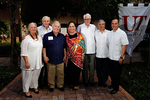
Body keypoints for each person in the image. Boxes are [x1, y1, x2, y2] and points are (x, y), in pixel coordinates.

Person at [21, 22, 43, 98]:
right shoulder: (26, 39)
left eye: (34, 27)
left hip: (37, 60)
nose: (33, 29)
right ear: (29, 29)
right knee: (27, 76)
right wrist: (26, 62)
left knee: (36, 75)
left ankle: (35, 87)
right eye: (31, 27)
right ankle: (26, 90)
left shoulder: (39, 38)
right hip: (29, 61)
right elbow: (23, 51)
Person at [42, 21, 66, 92]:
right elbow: (44, 48)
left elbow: (64, 47)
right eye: (55, 26)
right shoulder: (46, 36)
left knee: (60, 73)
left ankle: (60, 85)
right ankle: (51, 85)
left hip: (60, 58)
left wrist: (65, 55)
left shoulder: (62, 36)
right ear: (52, 27)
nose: (57, 28)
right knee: (50, 74)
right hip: (50, 58)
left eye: (58, 26)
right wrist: (45, 56)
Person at [107, 19, 129, 94]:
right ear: (111, 24)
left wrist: (121, 57)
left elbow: (125, 45)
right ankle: (113, 84)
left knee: (117, 74)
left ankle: (116, 88)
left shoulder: (122, 33)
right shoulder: (110, 33)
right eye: (112, 23)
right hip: (110, 57)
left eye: (115, 23)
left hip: (118, 58)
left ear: (118, 24)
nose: (114, 25)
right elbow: (108, 44)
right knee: (111, 73)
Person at [77, 13, 97, 86]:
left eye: (88, 19)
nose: (87, 20)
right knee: (84, 67)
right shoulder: (80, 27)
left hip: (92, 50)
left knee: (92, 67)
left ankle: (91, 80)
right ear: (83, 20)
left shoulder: (94, 27)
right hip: (83, 51)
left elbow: (96, 37)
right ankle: (85, 80)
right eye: (86, 19)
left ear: (90, 20)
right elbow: (78, 38)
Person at [66, 21, 85, 90]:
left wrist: (83, 55)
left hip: (78, 57)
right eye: (70, 26)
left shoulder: (80, 36)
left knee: (76, 71)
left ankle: (76, 84)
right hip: (69, 57)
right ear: (68, 28)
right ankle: (71, 83)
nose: (71, 28)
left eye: (73, 26)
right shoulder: (66, 36)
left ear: (75, 27)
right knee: (70, 71)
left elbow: (83, 46)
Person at [37, 16, 53, 88]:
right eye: (45, 21)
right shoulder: (38, 29)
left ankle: (47, 82)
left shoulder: (52, 29)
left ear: (49, 22)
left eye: (47, 21)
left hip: (49, 51)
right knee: (40, 68)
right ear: (42, 22)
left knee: (48, 68)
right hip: (40, 51)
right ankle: (39, 83)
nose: (46, 22)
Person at [95, 19, 110, 87]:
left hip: (106, 55)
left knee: (105, 70)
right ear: (98, 25)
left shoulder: (109, 33)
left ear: (105, 25)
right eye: (100, 24)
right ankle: (100, 81)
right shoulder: (95, 33)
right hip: (98, 55)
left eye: (102, 24)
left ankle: (104, 81)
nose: (101, 26)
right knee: (98, 69)